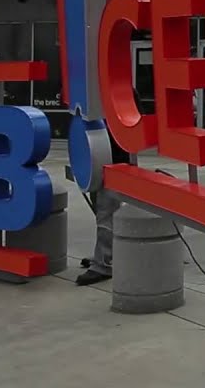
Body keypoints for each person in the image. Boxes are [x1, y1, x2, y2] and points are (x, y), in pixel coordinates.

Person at [75, 91, 135, 287]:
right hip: (97, 160)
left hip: (114, 162)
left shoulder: (122, 93)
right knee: (102, 211)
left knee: (106, 213)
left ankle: (104, 263)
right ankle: (104, 255)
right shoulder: (90, 93)